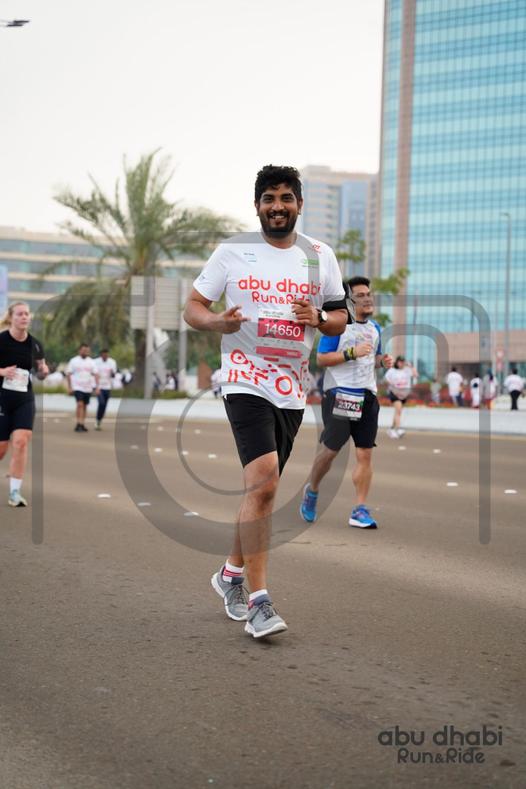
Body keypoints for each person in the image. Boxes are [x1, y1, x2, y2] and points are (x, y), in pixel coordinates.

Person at [184, 164, 347, 638]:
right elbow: (193, 308)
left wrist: (318, 318)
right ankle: (259, 602)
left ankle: (230, 573)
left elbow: (340, 316)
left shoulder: (320, 255)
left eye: (286, 198)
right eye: (269, 198)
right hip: (244, 378)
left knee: (262, 490)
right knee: (265, 479)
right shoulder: (233, 252)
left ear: (299, 204)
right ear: (256, 206)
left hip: (291, 387)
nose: (278, 206)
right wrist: (218, 323)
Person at [300, 277, 393, 529]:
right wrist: (351, 352)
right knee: (331, 452)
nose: (367, 298)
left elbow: (371, 359)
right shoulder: (337, 327)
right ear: (349, 301)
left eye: (369, 294)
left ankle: (359, 509)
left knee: (365, 454)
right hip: (339, 394)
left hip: (367, 395)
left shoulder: (375, 328)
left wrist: (382, 362)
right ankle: (312, 490)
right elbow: (322, 358)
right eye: (360, 295)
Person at [0, 301, 48, 507]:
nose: (24, 317)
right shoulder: (1, 340)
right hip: (1, 398)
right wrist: (2, 372)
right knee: (1, 449)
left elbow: (40, 370)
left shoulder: (35, 344)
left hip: (24, 398)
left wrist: (43, 372)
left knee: (21, 441)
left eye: (27, 314)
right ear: (11, 317)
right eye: (19, 314)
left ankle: (15, 493)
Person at [66, 343, 99, 432]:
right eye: (84, 350)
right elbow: (68, 374)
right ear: (79, 350)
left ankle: (82, 423)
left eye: (87, 351)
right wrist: (69, 387)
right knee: (79, 404)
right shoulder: (73, 361)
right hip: (77, 387)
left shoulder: (92, 362)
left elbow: (96, 374)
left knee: (84, 406)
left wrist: (97, 387)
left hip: (88, 387)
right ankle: (78, 423)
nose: (85, 352)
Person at [384, 356, 417, 438]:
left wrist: (411, 366)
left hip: (404, 393)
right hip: (394, 392)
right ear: (397, 362)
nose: (401, 363)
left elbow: (415, 375)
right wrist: (392, 384)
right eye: (400, 361)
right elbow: (386, 379)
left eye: (403, 362)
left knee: (398, 412)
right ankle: (399, 429)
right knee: (398, 410)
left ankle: (391, 429)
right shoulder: (392, 370)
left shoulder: (407, 370)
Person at [94, 348, 117, 430]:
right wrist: (96, 387)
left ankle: (99, 420)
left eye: (106, 354)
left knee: (104, 405)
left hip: (107, 387)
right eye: (104, 354)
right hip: (99, 386)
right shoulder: (96, 362)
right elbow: (93, 374)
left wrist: (112, 373)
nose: (105, 356)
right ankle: (97, 419)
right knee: (101, 403)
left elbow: (114, 375)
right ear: (101, 355)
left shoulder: (112, 362)